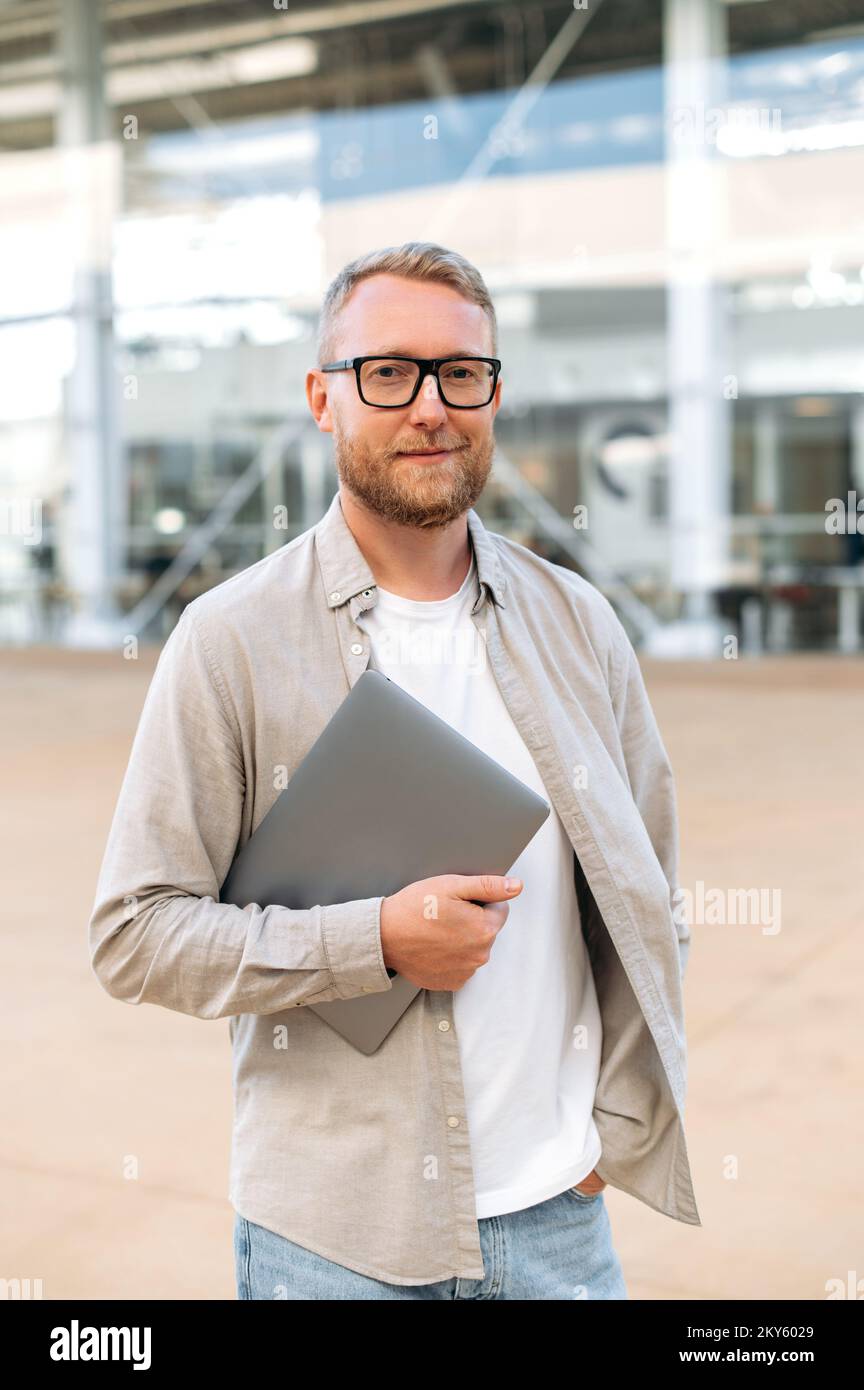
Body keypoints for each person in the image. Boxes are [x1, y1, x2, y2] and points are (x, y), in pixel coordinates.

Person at [89, 241, 699, 1301]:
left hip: (561, 1225)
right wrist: (371, 940)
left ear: (494, 393)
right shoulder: (229, 640)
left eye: (462, 372)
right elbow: (134, 934)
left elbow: (649, 892)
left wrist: (612, 1122)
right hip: (336, 1241)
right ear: (324, 398)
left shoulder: (577, 623)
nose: (431, 405)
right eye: (390, 371)